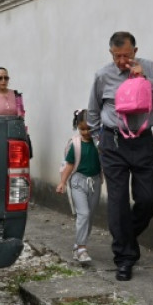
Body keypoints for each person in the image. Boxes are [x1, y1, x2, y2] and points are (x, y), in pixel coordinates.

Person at [87, 31, 153, 281]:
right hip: (113, 142)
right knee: (118, 202)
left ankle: (126, 236)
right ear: (110, 54)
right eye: (116, 56)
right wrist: (97, 141)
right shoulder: (103, 75)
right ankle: (124, 258)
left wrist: (145, 78)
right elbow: (93, 110)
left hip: (143, 141)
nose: (122, 60)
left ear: (135, 51)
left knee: (148, 199)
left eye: (126, 54)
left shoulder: (151, 68)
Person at [57, 109, 103, 263]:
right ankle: (82, 248)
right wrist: (62, 182)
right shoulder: (75, 144)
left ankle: (78, 244)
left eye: (89, 128)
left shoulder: (99, 143)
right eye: (82, 129)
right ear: (77, 127)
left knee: (89, 216)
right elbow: (69, 165)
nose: (86, 132)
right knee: (83, 213)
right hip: (78, 181)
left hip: (95, 182)